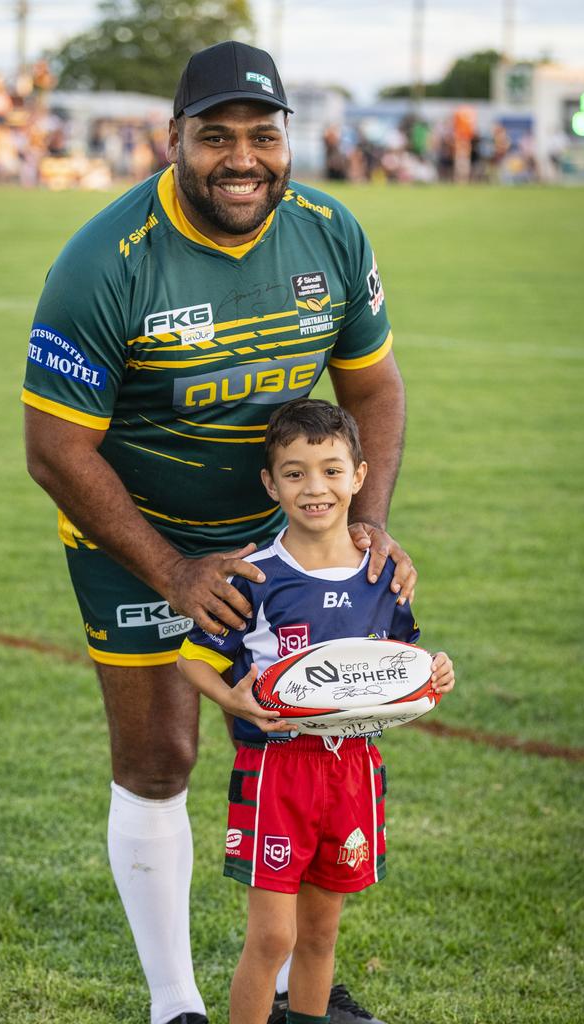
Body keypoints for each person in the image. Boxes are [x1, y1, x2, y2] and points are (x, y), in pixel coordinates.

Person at [23, 39, 416, 1024]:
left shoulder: (330, 231)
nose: (242, 157)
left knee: (298, 740)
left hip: (275, 536)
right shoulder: (104, 261)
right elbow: (56, 451)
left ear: (289, 138)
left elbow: (372, 386)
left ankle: (290, 989)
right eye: (216, 137)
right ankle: (175, 1004)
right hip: (139, 533)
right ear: (174, 142)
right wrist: (172, 571)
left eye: (263, 135)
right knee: (161, 753)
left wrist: (362, 529)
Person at [178, 399, 455, 1024]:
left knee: (320, 936)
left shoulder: (384, 577)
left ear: (359, 476)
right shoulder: (257, 575)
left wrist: (433, 673)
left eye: (331, 470)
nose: (315, 488)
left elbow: (399, 662)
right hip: (278, 769)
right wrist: (232, 696)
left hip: (353, 766)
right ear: (270, 484)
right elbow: (191, 659)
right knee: (274, 937)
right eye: (295, 473)